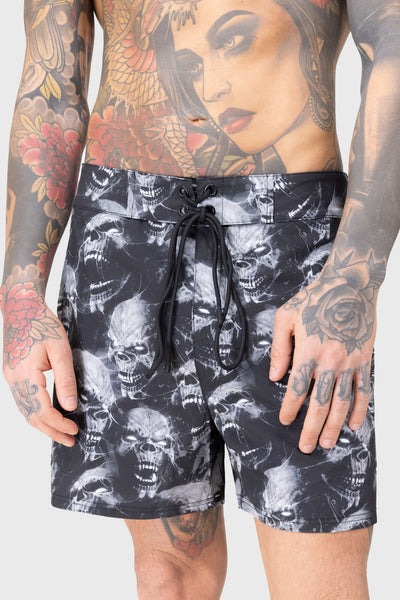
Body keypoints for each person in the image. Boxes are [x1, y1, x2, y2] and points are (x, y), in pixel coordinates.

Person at [1, 0, 399, 598]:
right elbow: (51, 86)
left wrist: (354, 277)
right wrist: (20, 294)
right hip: (124, 232)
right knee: (167, 574)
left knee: (316, 566)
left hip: (286, 237)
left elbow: (393, 48)